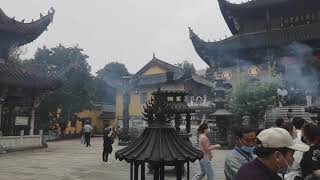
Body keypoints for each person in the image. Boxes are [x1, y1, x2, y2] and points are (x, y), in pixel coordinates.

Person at [235, 128, 309, 180]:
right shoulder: (260, 177)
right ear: (277, 156)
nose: (293, 160)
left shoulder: (247, 168)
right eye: (292, 155)